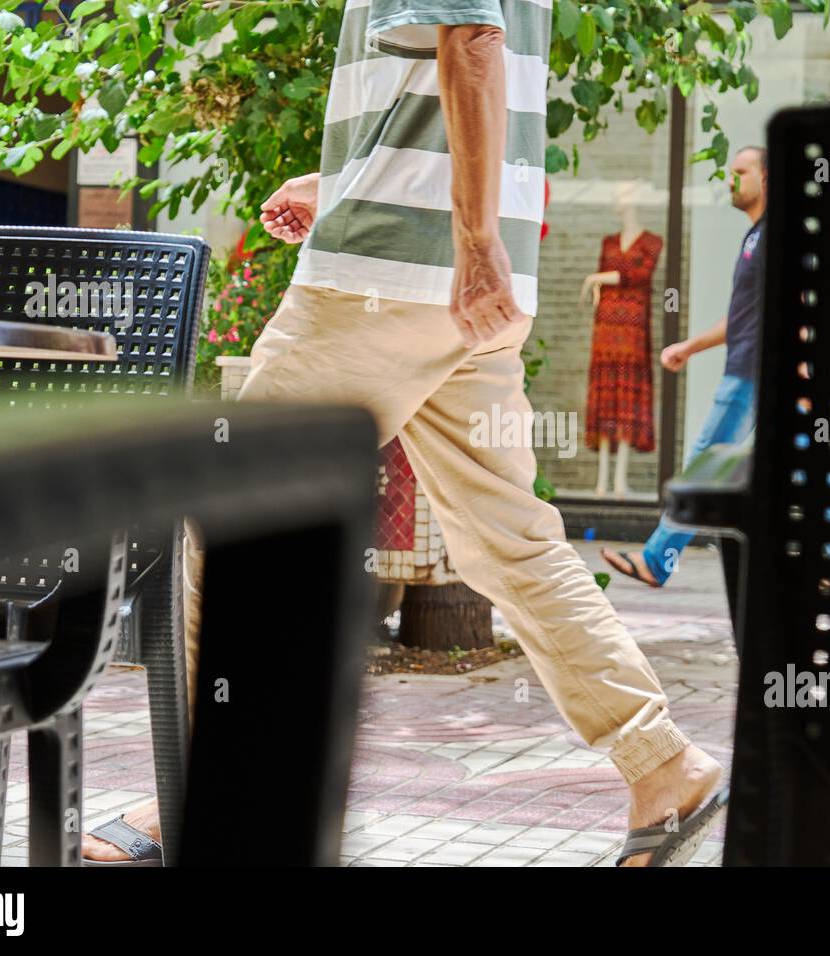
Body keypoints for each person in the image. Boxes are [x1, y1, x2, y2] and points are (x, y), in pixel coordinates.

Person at [85, 0, 726, 867]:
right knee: (513, 545)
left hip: (392, 276)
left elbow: (471, 46)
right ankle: (663, 764)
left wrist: (465, 239)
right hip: (457, 283)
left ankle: (207, 805)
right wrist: (356, 187)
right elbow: (441, 70)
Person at [601, 146, 767, 589]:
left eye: (741, 172)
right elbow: (741, 317)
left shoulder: (772, 236)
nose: (731, 180)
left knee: (705, 463)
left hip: (752, 372)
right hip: (753, 365)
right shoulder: (755, 237)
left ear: (767, 180)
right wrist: (691, 347)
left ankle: (657, 560)